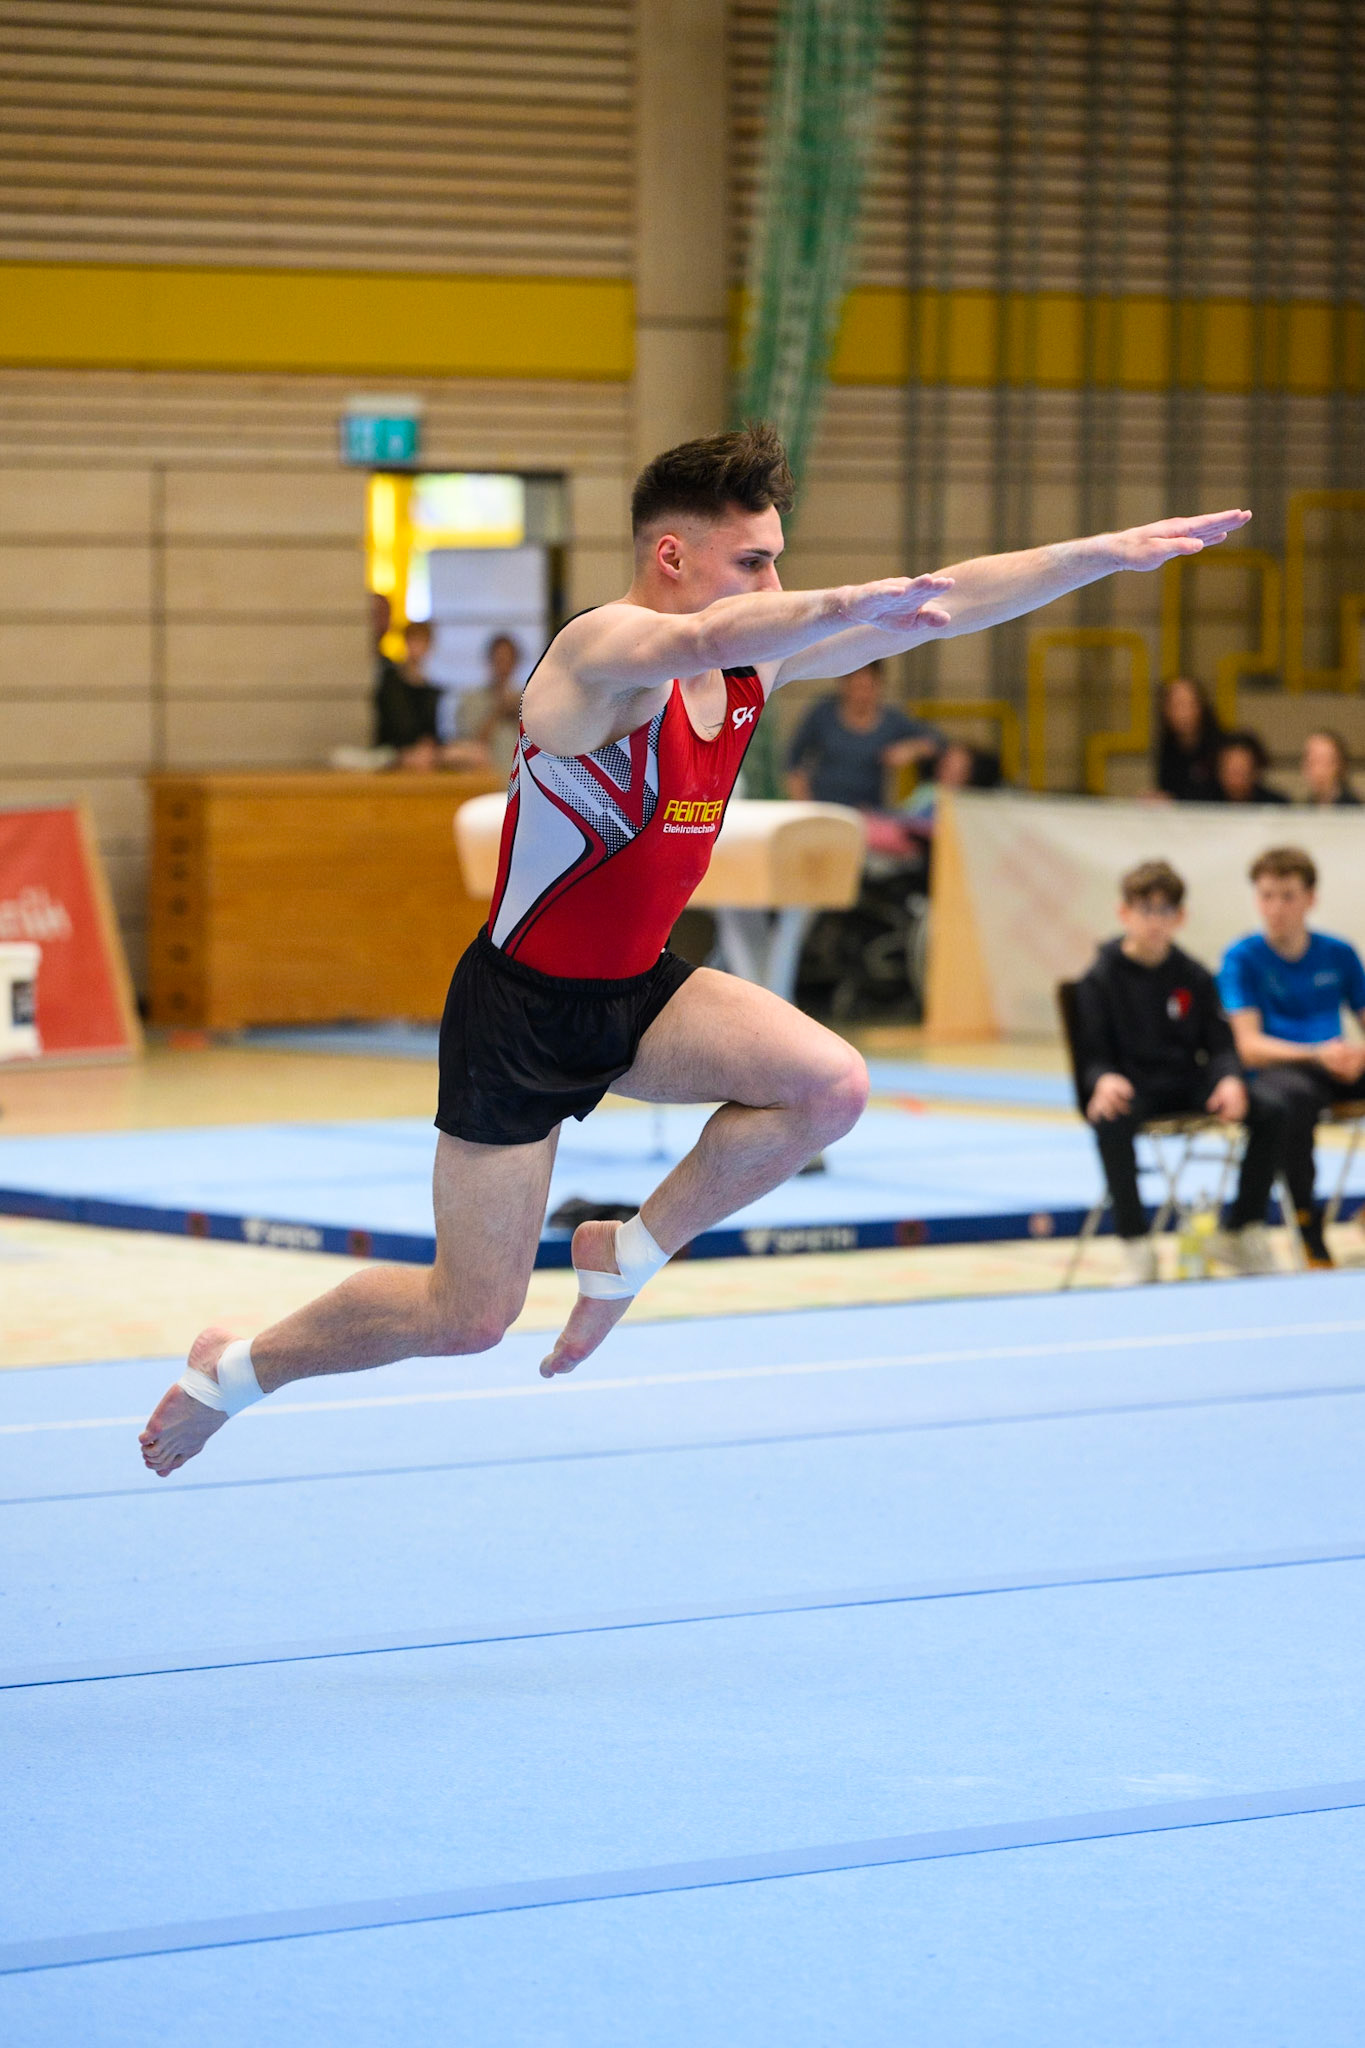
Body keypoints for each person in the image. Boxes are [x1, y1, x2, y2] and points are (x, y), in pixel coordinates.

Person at [140, 421, 1250, 1474]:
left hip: (638, 997)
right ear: (672, 553)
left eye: (783, 565)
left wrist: (1104, 555)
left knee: (829, 1086)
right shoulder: (598, 654)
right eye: (754, 561)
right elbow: (706, 634)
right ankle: (235, 1369)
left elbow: (944, 605)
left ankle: (628, 1250)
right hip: (519, 1012)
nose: (775, 587)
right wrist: (851, 600)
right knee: (468, 1315)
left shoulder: (753, 668)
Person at [1073, 860, 1282, 1285]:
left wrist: (1228, 1079)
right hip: (1134, 1086)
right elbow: (1091, 1056)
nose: (1154, 921)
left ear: (1180, 918)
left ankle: (1242, 1229)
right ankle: (1136, 1246)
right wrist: (1103, 1079)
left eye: (1165, 911)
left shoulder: (1194, 977)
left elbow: (1221, 1046)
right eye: (1145, 910)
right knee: (1110, 1116)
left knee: (1273, 1110)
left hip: (1185, 1082)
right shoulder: (1099, 979)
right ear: (1124, 913)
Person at [1219, 845, 1365, 1267]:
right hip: (1279, 1069)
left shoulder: (1338, 952)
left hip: (1334, 1062)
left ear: (1310, 899)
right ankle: (1308, 1227)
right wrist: (1316, 1053)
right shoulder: (1241, 958)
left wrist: (1356, 1055)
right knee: (1291, 1105)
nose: (1276, 907)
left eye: (1287, 896)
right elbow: (1248, 1044)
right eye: (1266, 896)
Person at [784, 661, 942, 809]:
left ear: (879, 685)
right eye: (856, 687)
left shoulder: (891, 721)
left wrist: (912, 749)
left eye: (868, 687)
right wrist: (805, 804)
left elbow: (938, 741)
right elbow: (792, 760)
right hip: (824, 809)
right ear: (843, 684)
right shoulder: (823, 713)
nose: (862, 695)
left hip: (870, 813)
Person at [1155, 675, 1223, 801]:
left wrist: (1174, 800)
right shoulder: (1167, 747)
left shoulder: (1221, 747)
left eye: (1189, 704)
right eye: (1176, 705)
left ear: (1201, 706)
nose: (1183, 713)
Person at [1213, 729, 1287, 804]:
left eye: (1243, 772)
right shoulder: (1203, 801)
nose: (1236, 780)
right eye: (1232, 771)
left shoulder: (1277, 805)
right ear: (1219, 771)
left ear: (1256, 771)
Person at [1301, 727, 1360, 806]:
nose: (1318, 770)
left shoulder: (1355, 809)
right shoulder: (1302, 809)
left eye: (1325, 762)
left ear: (1340, 765)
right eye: (1312, 762)